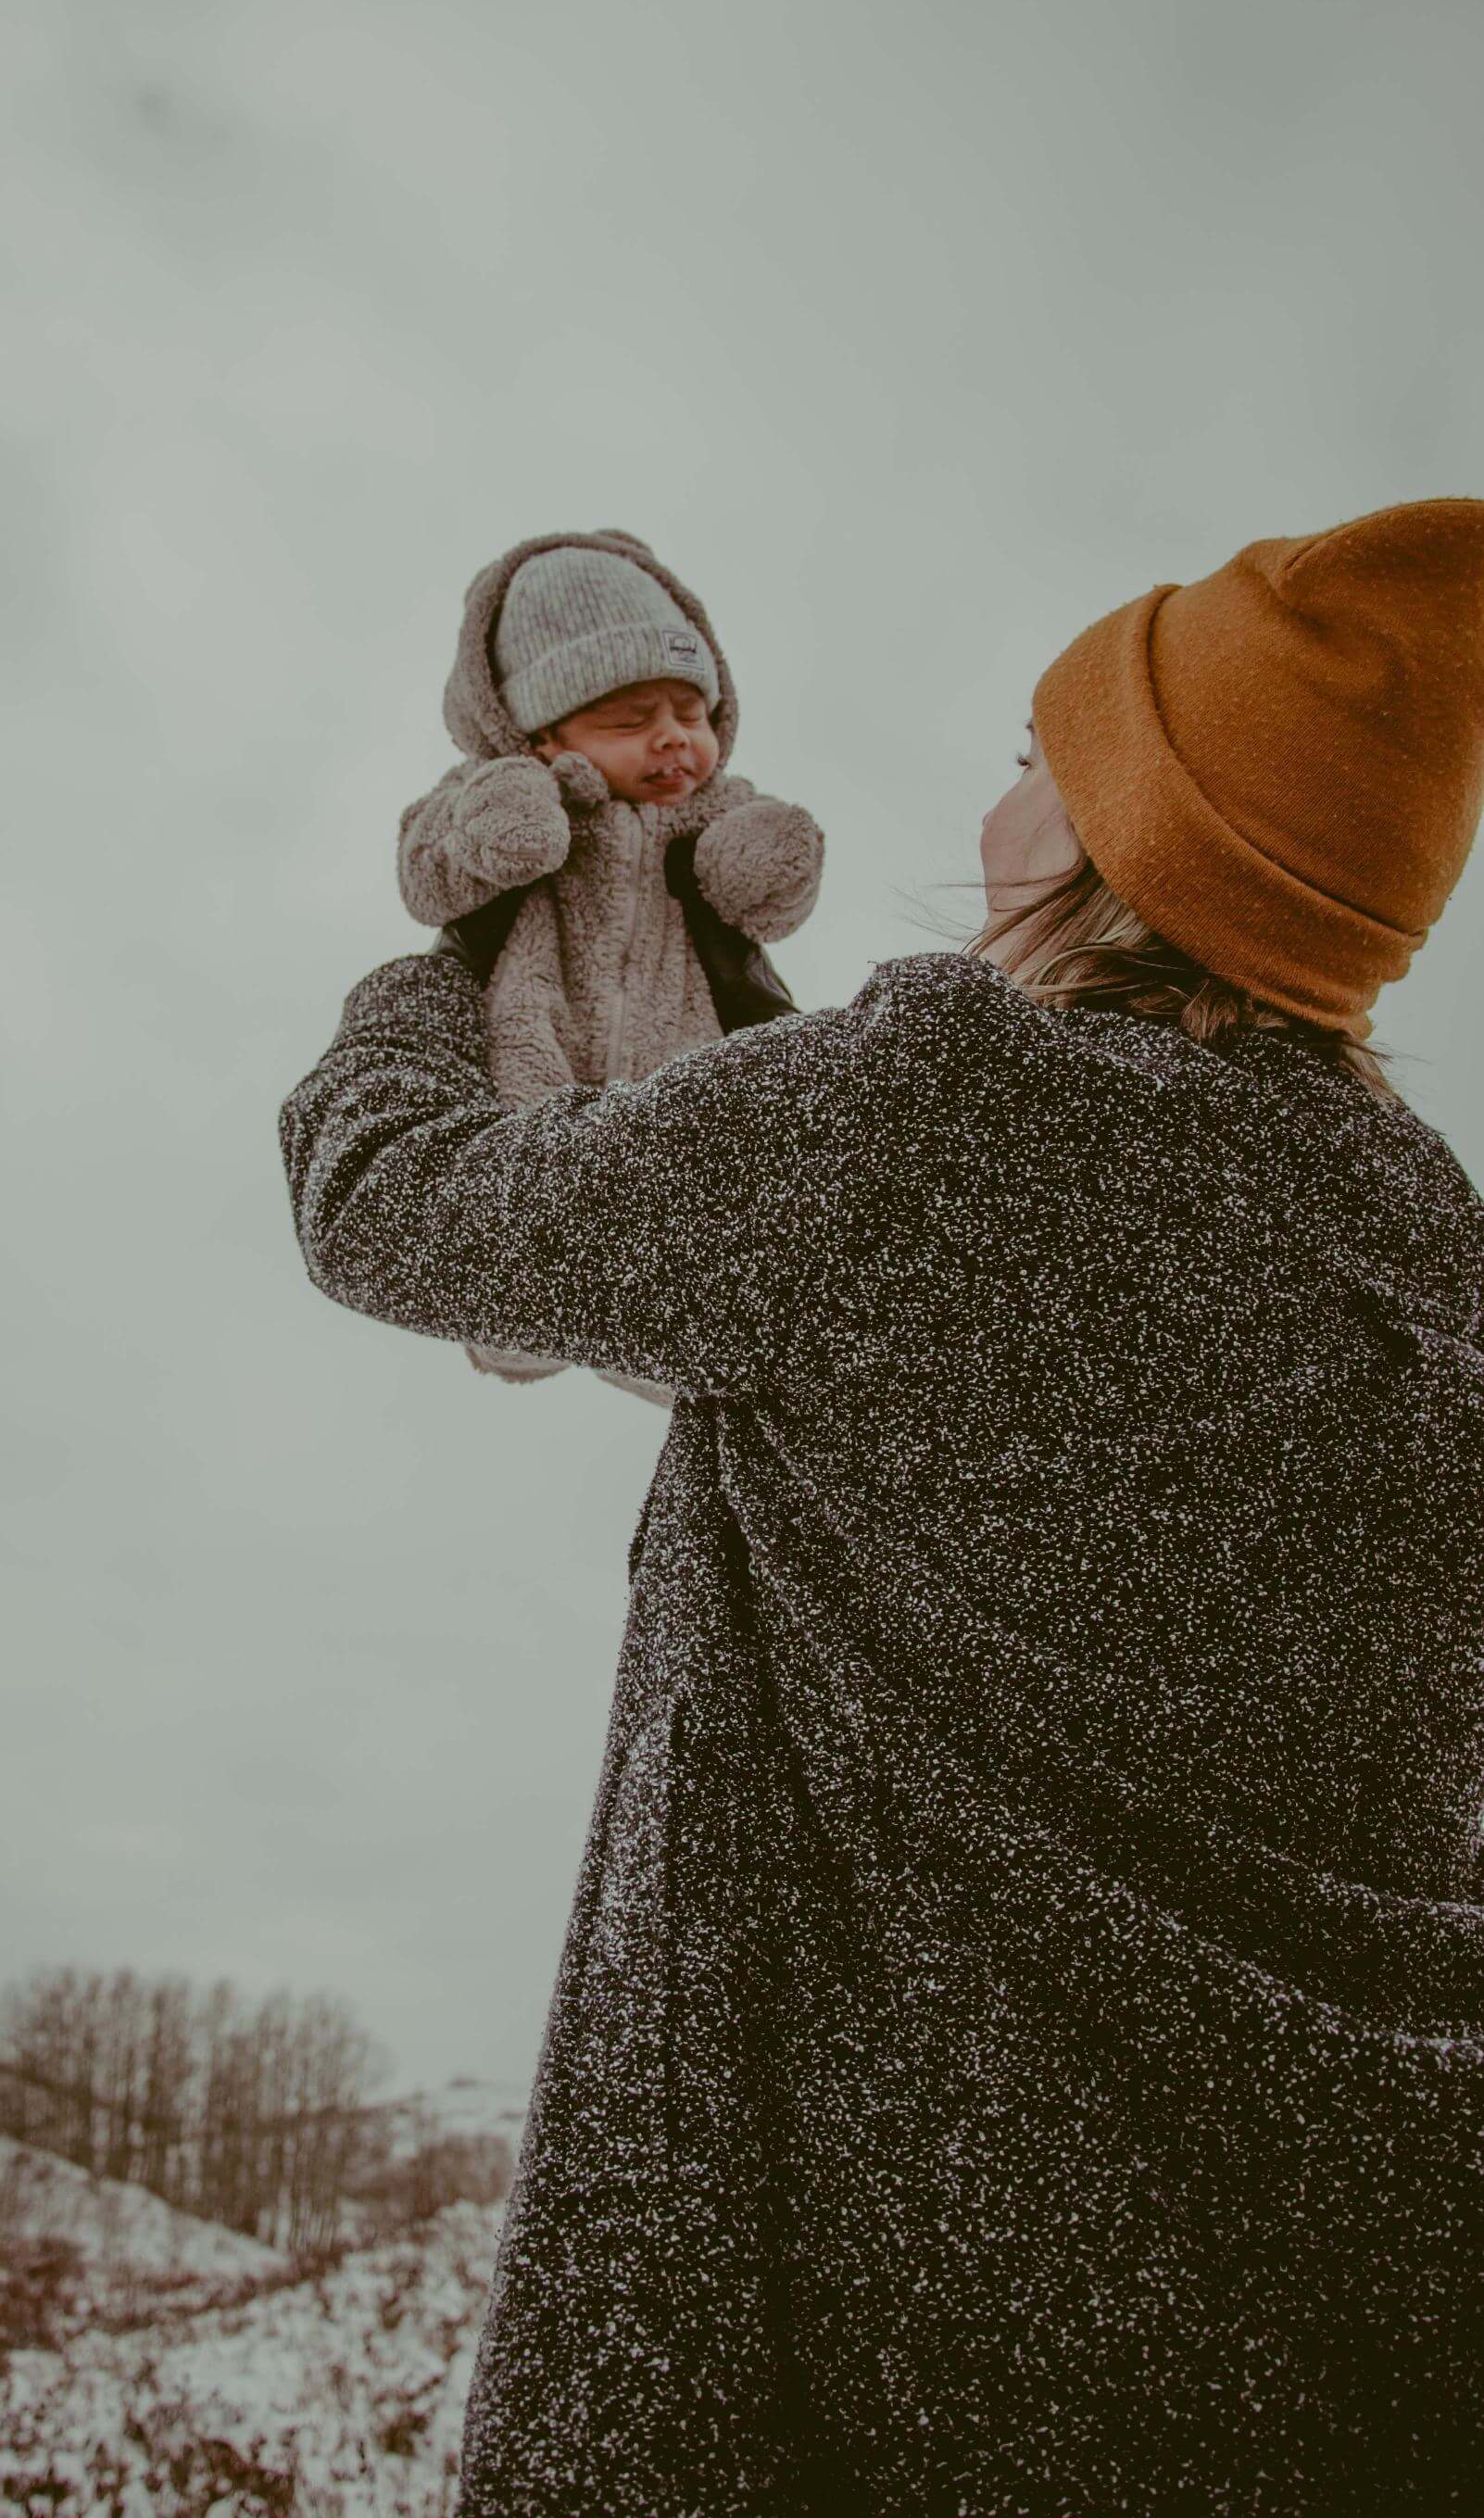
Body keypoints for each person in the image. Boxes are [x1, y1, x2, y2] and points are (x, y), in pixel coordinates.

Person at [278, 497, 1484, 2514]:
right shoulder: (1432, 1250)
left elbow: (388, 1197)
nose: (1003, 786)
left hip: (875, 2340)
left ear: (1132, 840)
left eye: (1045, 757)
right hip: (1378, 2332)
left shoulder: (927, 1111)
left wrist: (481, 930)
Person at [396, 527, 824, 1407]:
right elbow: (425, 874)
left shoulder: (714, 810)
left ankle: (676, 1344)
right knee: (528, 1172)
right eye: (630, 722)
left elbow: (763, 900)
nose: (673, 743)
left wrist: (761, 856)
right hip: (536, 1020)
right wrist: (498, 826)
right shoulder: (500, 788)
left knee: (692, 1183)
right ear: (544, 734)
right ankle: (517, 1308)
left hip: (686, 1035)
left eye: (692, 716)